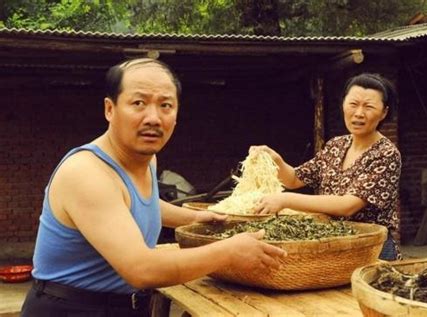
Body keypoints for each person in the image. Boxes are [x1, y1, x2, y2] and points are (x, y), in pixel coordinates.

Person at [21, 58, 287, 317]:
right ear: (109, 109)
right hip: (71, 308)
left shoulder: (145, 160)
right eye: (138, 103)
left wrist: (194, 217)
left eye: (165, 105)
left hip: (125, 305)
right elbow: (142, 269)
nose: (153, 118)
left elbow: (136, 203)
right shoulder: (87, 173)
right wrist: (229, 251)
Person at [251, 73, 402, 261]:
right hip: (333, 242)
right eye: (353, 104)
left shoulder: (386, 154)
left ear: (384, 112)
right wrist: (275, 161)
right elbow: (294, 178)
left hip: (371, 248)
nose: (359, 113)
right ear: (343, 105)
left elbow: (348, 206)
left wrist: (285, 200)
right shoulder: (336, 146)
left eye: (369, 107)